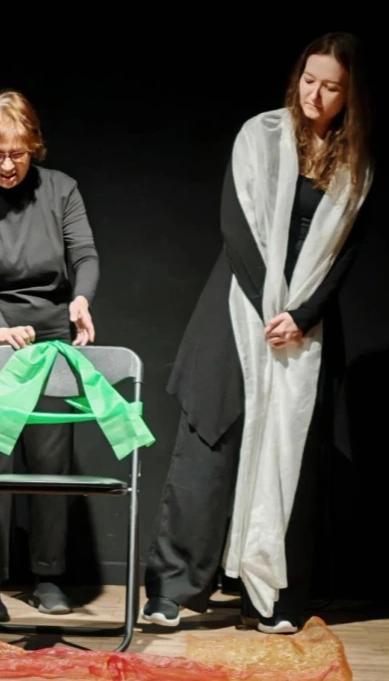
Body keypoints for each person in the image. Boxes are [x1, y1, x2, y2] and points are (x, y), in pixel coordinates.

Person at [141, 32, 373, 634]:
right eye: (309, 80)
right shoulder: (260, 135)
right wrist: (272, 305)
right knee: (208, 446)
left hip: (304, 326)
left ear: (351, 96)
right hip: (238, 306)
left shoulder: (359, 163)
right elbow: (237, 225)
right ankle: (173, 589)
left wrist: (303, 313)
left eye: (331, 87)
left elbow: (344, 254)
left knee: (289, 457)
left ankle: (273, 598)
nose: (315, 94)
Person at [0, 89, 99, 621]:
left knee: (51, 460)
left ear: (34, 146)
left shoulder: (62, 191)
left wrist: (82, 298)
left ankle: (48, 576)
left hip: (51, 336)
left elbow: (84, 254)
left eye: (17, 153)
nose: (7, 166)